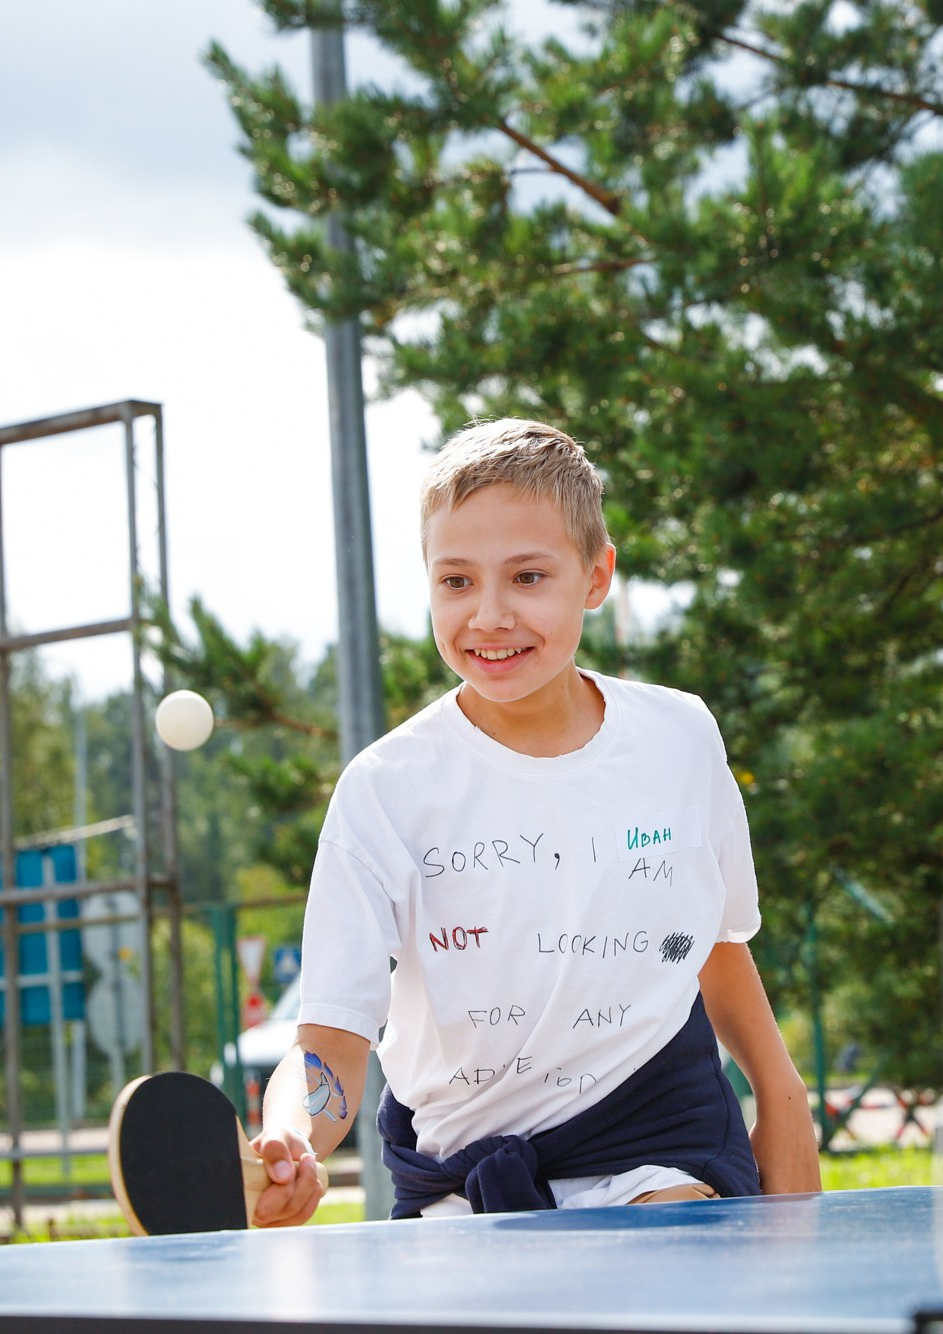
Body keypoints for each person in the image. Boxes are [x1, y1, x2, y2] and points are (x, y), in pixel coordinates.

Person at [248, 418, 821, 1223]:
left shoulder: (682, 737)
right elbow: (330, 1042)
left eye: (526, 577)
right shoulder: (383, 789)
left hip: (659, 1143)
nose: (487, 614)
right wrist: (292, 1134)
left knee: (675, 1276)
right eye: (455, 582)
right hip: (462, 1175)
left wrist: (782, 1096)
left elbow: (715, 945)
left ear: (595, 576)